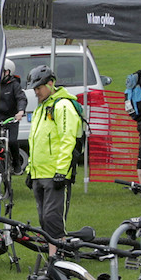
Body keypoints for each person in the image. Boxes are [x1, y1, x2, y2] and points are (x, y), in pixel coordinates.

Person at [21, 66, 84, 237]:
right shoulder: (41, 108)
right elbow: (35, 141)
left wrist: (61, 172)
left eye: (39, 88)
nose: (36, 92)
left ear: (50, 84)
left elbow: (67, 139)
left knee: (53, 221)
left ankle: (57, 253)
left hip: (55, 174)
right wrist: (30, 170)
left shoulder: (62, 106)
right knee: (43, 221)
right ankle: (51, 252)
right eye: (34, 89)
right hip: (39, 174)